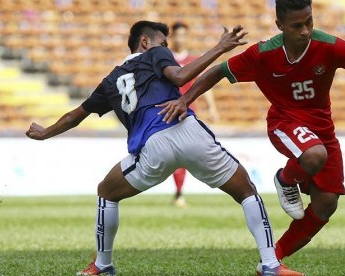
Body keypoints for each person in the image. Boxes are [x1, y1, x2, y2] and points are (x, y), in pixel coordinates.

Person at [26, 21, 304, 276]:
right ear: (145, 42)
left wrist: (45, 132)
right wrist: (220, 47)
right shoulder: (155, 54)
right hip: (187, 131)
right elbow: (180, 77)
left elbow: (77, 114)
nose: (166, 48)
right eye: (162, 42)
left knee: (106, 192)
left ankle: (102, 264)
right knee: (246, 191)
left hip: (152, 149)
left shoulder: (110, 82)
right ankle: (269, 263)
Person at [157, 0, 345, 274]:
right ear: (280, 25)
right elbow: (218, 72)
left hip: (323, 129)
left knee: (326, 204)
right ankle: (285, 179)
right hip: (284, 122)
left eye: (309, 22)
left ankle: (272, 259)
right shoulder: (263, 54)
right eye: (297, 25)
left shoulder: (330, 45)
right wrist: (186, 99)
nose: (305, 31)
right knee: (314, 155)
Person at [169, 21, 220, 208]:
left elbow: (204, 84)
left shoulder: (193, 60)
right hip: (166, 112)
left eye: (184, 35)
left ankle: (179, 192)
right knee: (172, 154)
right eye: (177, 35)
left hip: (188, 114)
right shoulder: (165, 59)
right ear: (171, 37)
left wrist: (212, 107)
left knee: (182, 154)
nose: (180, 39)